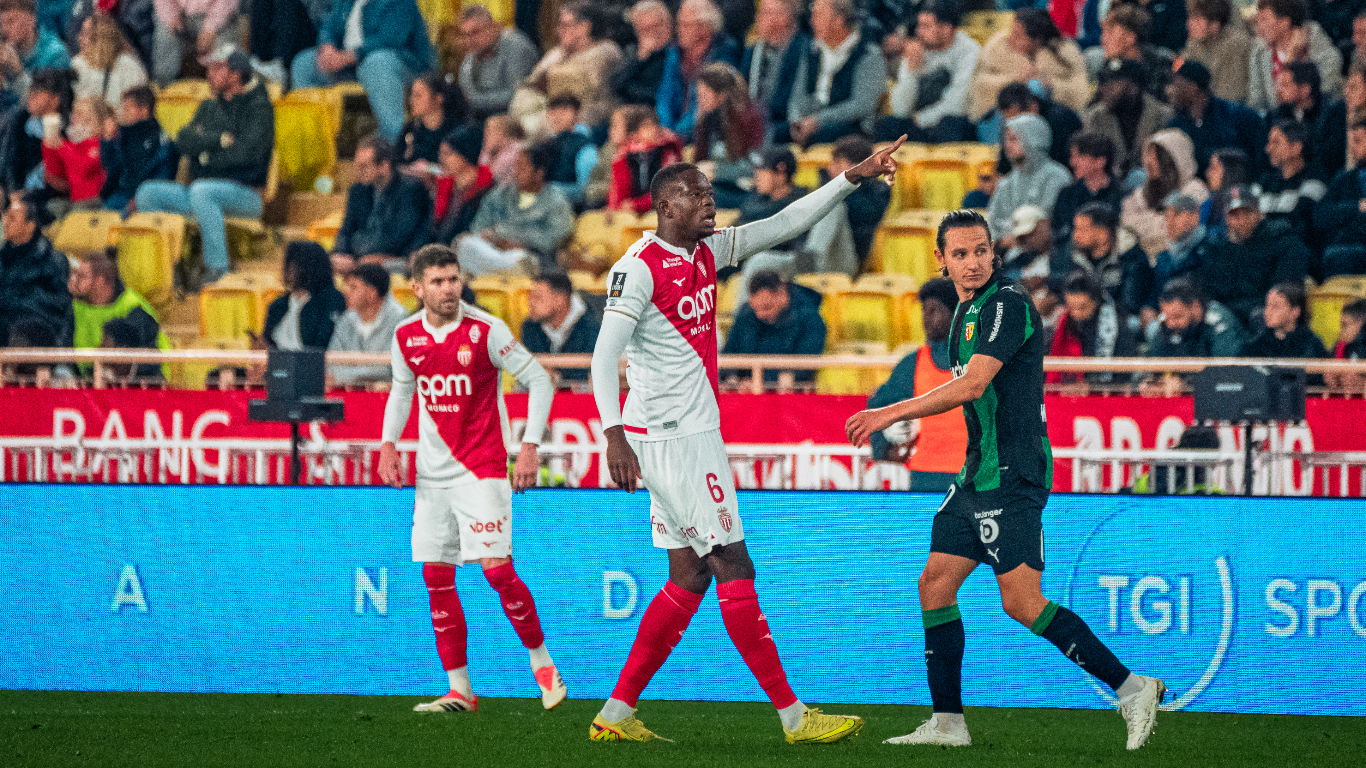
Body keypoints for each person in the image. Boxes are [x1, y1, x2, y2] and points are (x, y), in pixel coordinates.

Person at [585, 138, 904, 746]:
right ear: (665, 207)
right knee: (732, 562)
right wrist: (612, 435)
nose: (710, 203)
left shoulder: (707, 251)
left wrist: (851, 178)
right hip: (672, 438)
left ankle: (615, 714)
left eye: (710, 193)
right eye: (696, 196)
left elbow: (785, 222)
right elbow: (604, 356)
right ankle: (794, 716)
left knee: (688, 576)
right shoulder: (638, 267)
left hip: (683, 433)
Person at [844, 209, 1165, 750]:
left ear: (994, 252)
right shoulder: (965, 313)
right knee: (935, 583)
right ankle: (948, 723)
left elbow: (973, 386)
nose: (972, 262)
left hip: (1013, 474)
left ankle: (1133, 688)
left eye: (980, 251)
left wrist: (888, 413)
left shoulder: (1007, 304)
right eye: (960, 253)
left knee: (1022, 602)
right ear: (942, 260)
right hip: (976, 474)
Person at [376, 243, 568, 715]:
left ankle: (543, 664)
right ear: (417, 288)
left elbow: (540, 381)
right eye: (438, 282)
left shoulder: (486, 330)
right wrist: (388, 445)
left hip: (482, 468)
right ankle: (459, 690)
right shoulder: (404, 336)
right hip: (432, 478)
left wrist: (528, 446)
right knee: (436, 576)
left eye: (454, 279)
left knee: (497, 570)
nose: (448, 289)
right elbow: (402, 392)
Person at [134, 45, 273, 283]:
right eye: (209, 68)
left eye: (217, 68)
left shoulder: (259, 109)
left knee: (202, 191)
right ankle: (167, 269)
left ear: (236, 73)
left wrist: (205, 157)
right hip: (201, 191)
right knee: (147, 193)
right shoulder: (208, 107)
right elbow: (184, 140)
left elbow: (245, 156)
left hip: (246, 194)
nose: (209, 74)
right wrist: (218, 141)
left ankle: (218, 270)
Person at [864, 277, 966, 491]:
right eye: (924, 311)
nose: (926, 319)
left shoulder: (981, 360)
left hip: (975, 476)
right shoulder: (914, 363)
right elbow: (878, 406)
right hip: (925, 477)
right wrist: (885, 449)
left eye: (934, 311)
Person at [290, 0, 435, 143]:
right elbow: (329, 25)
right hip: (350, 67)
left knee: (377, 63)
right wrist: (327, 46)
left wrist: (348, 57)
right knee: (304, 64)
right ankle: (311, 141)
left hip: (401, 64)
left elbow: (390, 39)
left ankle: (393, 142)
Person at [1200, 184, 1312, 323]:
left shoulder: (1282, 241)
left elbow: (1284, 294)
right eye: (1234, 215)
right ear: (1226, 218)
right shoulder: (1218, 249)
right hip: (1228, 317)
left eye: (1247, 212)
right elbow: (1211, 291)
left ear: (1259, 212)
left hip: (1266, 317)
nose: (1242, 220)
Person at [461, 140, 575, 276]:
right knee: (465, 244)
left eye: (522, 168)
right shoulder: (499, 194)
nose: (516, 173)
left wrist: (521, 243)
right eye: (516, 166)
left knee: (519, 259)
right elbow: (479, 226)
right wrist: (489, 237)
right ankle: (498, 268)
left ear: (539, 173)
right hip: (492, 251)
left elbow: (557, 236)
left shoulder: (555, 200)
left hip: (532, 257)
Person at [876, 0, 980, 144]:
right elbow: (900, 109)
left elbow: (957, 104)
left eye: (926, 26)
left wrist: (919, 119)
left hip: (950, 121)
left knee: (951, 124)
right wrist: (911, 69)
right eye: (919, 25)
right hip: (918, 122)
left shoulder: (969, 51)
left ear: (946, 29)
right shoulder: (917, 49)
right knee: (888, 124)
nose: (919, 32)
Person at [786, 0, 887, 146]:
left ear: (838, 20)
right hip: (811, 122)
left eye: (819, 15)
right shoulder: (813, 52)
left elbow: (862, 105)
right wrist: (795, 122)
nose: (812, 22)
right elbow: (796, 95)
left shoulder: (869, 54)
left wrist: (818, 120)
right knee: (773, 133)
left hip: (852, 128)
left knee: (821, 136)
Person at [332, 135, 432, 275]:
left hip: (399, 257)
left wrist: (361, 253)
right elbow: (346, 229)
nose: (358, 172)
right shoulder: (358, 190)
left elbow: (398, 237)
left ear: (384, 165)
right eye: (357, 166)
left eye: (364, 166)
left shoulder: (410, 189)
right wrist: (342, 253)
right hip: (362, 256)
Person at [967, 8, 1090, 122]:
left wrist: (1047, 85)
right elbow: (981, 84)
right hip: (997, 119)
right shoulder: (996, 53)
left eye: (1018, 36)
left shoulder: (1064, 57)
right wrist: (1015, 81)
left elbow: (1077, 92)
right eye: (1012, 33)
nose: (1011, 39)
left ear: (1036, 41)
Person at [520, 2, 624, 129]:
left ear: (584, 27)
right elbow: (531, 83)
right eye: (559, 25)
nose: (559, 31)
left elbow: (581, 89)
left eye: (565, 25)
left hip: (590, 116)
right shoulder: (556, 53)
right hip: (550, 111)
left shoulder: (604, 51)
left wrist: (550, 78)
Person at [720, 270, 827, 386]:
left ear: (783, 295)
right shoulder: (746, 313)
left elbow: (804, 369)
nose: (760, 315)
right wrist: (732, 379)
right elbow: (729, 354)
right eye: (755, 308)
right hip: (744, 390)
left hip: (791, 392)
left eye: (767, 307)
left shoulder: (810, 319)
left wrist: (759, 382)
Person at [1052, 201, 1156, 317]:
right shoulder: (1075, 254)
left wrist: (1089, 305)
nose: (1075, 235)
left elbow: (1130, 303)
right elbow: (1061, 288)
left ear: (1103, 234)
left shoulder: (1132, 258)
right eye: (1075, 228)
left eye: (1082, 229)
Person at [69, 248, 170, 365]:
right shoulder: (74, 307)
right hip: (84, 374)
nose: (74, 280)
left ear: (100, 281)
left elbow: (152, 347)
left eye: (81, 276)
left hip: (131, 375)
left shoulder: (133, 306)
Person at [655, 0, 740, 138]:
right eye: (678, 23)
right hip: (672, 132)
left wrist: (678, 132)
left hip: (706, 131)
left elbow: (707, 103)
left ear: (705, 28)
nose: (679, 30)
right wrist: (665, 127)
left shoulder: (724, 52)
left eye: (686, 25)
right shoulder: (675, 52)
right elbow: (665, 95)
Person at [1121, 128, 1210, 259]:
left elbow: (1177, 230)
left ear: (1173, 159)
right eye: (1148, 154)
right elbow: (1125, 219)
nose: (1149, 161)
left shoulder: (1194, 189)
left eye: (1156, 156)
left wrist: (1146, 223)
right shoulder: (1147, 189)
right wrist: (1161, 221)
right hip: (1144, 260)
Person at [1166, 59, 1263, 175]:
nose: (1171, 91)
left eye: (1177, 85)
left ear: (1193, 87)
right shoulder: (1177, 124)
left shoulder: (1234, 116)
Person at [986, 113, 1072, 242]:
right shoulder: (1006, 183)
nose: (1007, 145)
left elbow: (1049, 220)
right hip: (1005, 247)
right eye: (1006, 140)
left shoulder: (1057, 176)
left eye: (1014, 139)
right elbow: (993, 223)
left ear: (1033, 139)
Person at [1, 194, 72, 346]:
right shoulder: (2, 258)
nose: (5, 222)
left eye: (12, 218)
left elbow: (56, 308)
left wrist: (9, 303)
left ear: (30, 226)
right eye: (6, 216)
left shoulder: (53, 261)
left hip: (35, 336)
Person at [1083, 58, 1174, 178]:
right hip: (1109, 183)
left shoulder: (1161, 115)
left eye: (1111, 82)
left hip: (1152, 181)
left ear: (1133, 84)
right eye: (1103, 82)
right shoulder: (1095, 117)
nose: (1103, 88)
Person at [1249, 0, 1344, 113]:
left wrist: (1307, 93)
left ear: (1284, 22)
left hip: (1317, 112)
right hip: (1280, 117)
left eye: (1264, 20)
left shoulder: (1310, 35)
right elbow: (1256, 96)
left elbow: (1333, 63)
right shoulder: (1259, 51)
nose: (1259, 27)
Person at [1047, 270, 1140, 384]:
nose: (1076, 313)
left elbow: (1123, 371)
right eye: (1071, 307)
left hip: (1107, 388)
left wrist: (1090, 384)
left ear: (1095, 302)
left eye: (1082, 308)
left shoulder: (1117, 325)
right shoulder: (1063, 325)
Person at [691, 62, 762, 210]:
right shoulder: (707, 121)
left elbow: (756, 167)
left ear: (721, 95)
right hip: (717, 188)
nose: (700, 101)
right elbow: (700, 161)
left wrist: (717, 170)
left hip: (746, 191)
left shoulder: (749, 119)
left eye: (704, 95)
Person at [327, 262, 411, 385]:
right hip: (347, 391)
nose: (346, 292)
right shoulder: (346, 319)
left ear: (372, 293)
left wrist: (344, 377)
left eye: (354, 287)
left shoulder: (399, 320)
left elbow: (387, 370)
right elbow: (331, 364)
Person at [99, 84, 177, 213]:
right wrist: (107, 139)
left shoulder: (161, 141)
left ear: (144, 110)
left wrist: (141, 198)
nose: (123, 113)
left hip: (145, 201)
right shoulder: (121, 136)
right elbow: (110, 167)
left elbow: (163, 176)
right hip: (117, 196)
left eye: (128, 108)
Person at [457, 4, 539, 123]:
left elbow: (517, 96)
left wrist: (474, 100)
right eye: (465, 35)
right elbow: (466, 90)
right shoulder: (472, 56)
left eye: (475, 32)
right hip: (481, 119)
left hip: (517, 120)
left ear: (494, 27)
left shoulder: (517, 48)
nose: (469, 41)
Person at [741, 0, 807, 144]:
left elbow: (795, 101)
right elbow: (742, 91)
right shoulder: (752, 52)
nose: (767, 19)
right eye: (763, 13)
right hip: (755, 124)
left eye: (772, 13)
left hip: (785, 123)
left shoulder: (804, 50)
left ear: (789, 17)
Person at [262, 240, 346, 351]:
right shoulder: (278, 305)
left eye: (294, 266)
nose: (289, 271)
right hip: (278, 361)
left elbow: (324, 343)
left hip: (313, 361)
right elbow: (268, 341)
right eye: (288, 265)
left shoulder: (332, 300)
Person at [520, 271, 600, 383]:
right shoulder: (530, 326)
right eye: (530, 297)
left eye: (538, 298)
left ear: (560, 300)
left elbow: (586, 372)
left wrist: (555, 372)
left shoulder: (592, 327)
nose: (531, 303)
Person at [1259, 118, 1328, 244]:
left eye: (1276, 142)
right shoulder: (1266, 181)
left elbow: (1300, 222)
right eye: (1269, 142)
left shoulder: (1314, 180)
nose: (1268, 149)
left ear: (1296, 148)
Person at [990, 82, 1083, 173]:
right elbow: (1005, 166)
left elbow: (1062, 162)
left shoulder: (1061, 119)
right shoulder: (1010, 124)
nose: (1013, 124)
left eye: (1017, 119)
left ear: (1032, 108)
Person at [829, 134, 891, 267]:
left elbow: (861, 220)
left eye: (839, 164)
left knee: (834, 208)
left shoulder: (878, 192)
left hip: (852, 257)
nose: (832, 169)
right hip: (829, 253)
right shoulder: (832, 188)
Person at [1051, 132, 1124, 245]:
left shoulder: (1121, 196)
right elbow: (1058, 229)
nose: (1072, 162)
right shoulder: (1066, 195)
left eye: (1079, 156)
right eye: (1072, 156)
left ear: (1100, 161)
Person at [608, 105, 682, 215]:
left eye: (655, 124)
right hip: (631, 216)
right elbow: (619, 198)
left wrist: (637, 205)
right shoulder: (623, 157)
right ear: (634, 134)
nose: (654, 129)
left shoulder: (668, 151)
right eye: (647, 126)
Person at [1315, 117, 1366, 276]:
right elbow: (1320, 215)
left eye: (1358, 141)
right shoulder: (1345, 179)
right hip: (1344, 248)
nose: (1352, 148)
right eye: (1351, 142)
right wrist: (1357, 207)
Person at [1153, 192, 1228, 295]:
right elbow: (1156, 294)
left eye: (1174, 215)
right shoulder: (1164, 258)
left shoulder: (1213, 249)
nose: (1168, 222)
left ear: (1194, 216)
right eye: (1166, 216)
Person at [150, 0, 240, 86]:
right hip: (178, 10)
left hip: (218, 11)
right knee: (164, 37)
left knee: (223, 59)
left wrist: (210, 27)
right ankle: (165, 85)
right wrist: (171, 16)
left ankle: (223, 88)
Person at [42, 96, 109, 209]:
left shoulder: (100, 144)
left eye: (80, 114)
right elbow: (57, 175)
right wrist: (49, 147)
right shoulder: (72, 145)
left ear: (93, 119)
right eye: (74, 113)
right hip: (75, 199)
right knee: (51, 207)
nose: (73, 118)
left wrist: (61, 147)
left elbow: (83, 168)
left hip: (94, 200)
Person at [1181, 0, 1253, 104]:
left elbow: (1232, 94)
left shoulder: (1238, 45)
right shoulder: (1193, 46)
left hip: (1230, 108)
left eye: (1197, 20)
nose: (1189, 24)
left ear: (1214, 24)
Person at [1097, 3, 1173, 101]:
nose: (1103, 40)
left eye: (1109, 32)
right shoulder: (1110, 66)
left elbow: (1155, 101)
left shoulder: (1160, 63)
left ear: (1130, 37)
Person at [432, 126, 494, 245]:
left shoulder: (484, 192)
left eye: (447, 154)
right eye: (441, 153)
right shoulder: (445, 188)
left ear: (466, 154)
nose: (441, 159)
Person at [71, 11, 147, 108]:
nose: (79, 38)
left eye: (85, 34)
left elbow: (134, 108)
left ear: (102, 38)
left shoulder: (128, 66)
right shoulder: (77, 63)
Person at [398, 72, 466, 176]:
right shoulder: (410, 130)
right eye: (412, 95)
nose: (412, 100)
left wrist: (430, 168)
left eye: (418, 95)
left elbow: (462, 169)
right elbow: (398, 163)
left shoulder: (456, 129)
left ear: (438, 98)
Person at [1241, 281, 1330, 360]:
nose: (1268, 312)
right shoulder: (1255, 346)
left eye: (1275, 306)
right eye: (1267, 305)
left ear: (1295, 311)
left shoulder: (1311, 345)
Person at [0, 0, 70, 99]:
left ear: (32, 20)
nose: (5, 29)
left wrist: (18, 70)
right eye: (2, 23)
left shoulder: (56, 54)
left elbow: (46, 104)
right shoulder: (6, 49)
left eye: (11, 21)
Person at [611, 0, 672, 110]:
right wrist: (640, 60)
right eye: (645, 29)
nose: (652, 33)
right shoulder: (633, 53)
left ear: (667, 25)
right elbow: (617, 86)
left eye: (656, 26)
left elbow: (662, 93)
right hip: (634, 111)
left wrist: (634, 92)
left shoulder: (676, 52)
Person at [543, 93, 597, 207]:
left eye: (563, 111)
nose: (557, 117)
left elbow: (584, 189)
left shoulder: (585, 145)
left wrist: (551, 191)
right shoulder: (548, 143)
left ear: (577, 114)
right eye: (553, 112)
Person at [1202, 147, 1253, 230]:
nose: (1208, 173)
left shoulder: (1241, 206)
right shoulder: (1208, 204)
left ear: (1230, 173)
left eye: (1213, 168)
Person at [1327, 297, 1366, 389]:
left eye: (1344, 325)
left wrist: (1361, 383)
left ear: (1359, 323)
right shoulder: (1340, 346)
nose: (1340, 330)